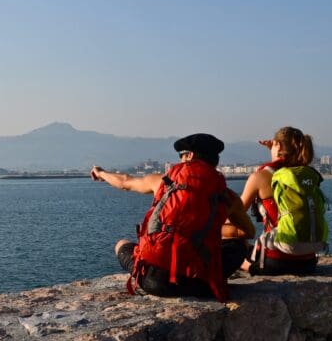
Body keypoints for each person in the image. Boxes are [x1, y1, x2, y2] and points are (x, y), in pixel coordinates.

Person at [90, 133, 254, 301]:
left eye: (181, 155)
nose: (180, 160)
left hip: (155, 282)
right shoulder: (227, 196)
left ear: (190, 156)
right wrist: (212, 229)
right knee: (239, 245)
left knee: (121, 244)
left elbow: (125, 182)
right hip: (199, 282)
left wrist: (101, 173)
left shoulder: (163, 182)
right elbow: (248, 232)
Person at [240, 126, 319, 275]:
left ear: (278, 145)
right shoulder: (305, 175)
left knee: (231, 237)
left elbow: (236, 212)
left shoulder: (261, 176)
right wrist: (276, 148)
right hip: (308, 262)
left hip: (275, 262)